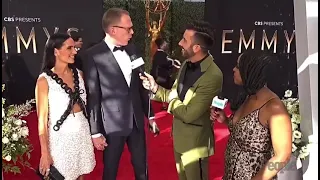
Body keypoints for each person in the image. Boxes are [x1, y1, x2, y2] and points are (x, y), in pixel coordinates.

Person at [140, 20, 223, 180]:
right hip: (179, 138)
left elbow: (188, 114)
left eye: (185, 40)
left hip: (195, 145)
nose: (179, 43)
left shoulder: (213, 75)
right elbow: (173, 94)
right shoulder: (186, 64)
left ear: (196, 48)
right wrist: (155, 88)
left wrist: (171, 100)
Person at [82, 8, 157, 180]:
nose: (132, 32)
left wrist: (150, 115)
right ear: (113, 30)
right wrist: (95, 132)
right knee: (110, 170)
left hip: (137, 121)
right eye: (128, 28)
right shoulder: (93, 55)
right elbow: (93, 95)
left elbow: (142, 85)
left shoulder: (133, 50)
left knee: (142, 169)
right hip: (111, 124)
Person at [210, 50, 292, 180]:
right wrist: (225, 120)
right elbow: (247, 134)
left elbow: (283, 156)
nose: (233, 70)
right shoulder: (248, 96)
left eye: (238, 66)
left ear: (251, 70)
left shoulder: (273, 107)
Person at [35, 33, 95, 180]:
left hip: (81, 132)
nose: (74, 51)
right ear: (56, 51)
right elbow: (42, 122)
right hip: (61, 138)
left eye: (74, 48)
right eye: (69, 48)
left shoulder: (78, 74)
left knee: (81, 174)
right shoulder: (44, 81)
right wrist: (45, 153)